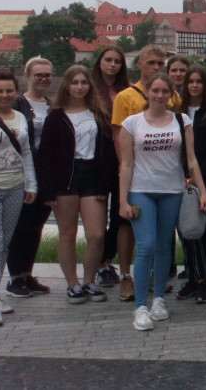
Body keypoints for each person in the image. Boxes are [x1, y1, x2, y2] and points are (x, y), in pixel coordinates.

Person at [118, 72, 206, 331]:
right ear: (147, 92)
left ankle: (158, 299)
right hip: (141, 190)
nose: (159, 95)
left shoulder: (182, 121)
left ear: (172, 94)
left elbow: (191, 160)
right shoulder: (131, 123)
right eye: (155, 91)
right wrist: (123, 200)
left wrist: (203, 192)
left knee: (163, 247)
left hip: (172, 190)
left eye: (165, 91)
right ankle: (140, 307)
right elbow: (126, 165)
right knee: (145, 246)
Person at [37, 65, 118, 305]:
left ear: (90, 86)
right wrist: (47, 189)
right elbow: (45, 156)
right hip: (65, 178)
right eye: (75, 82)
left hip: (93, 176)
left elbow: (108, 152)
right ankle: (72, 284)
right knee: (67, 234)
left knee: (96, 234)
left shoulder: (99, 114)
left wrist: (105, 183)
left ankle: (89, 280)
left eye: (84, 82)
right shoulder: (56, 117)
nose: (80, 87)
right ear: (67, 86)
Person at [111, 44, 181, 302]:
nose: (156, 67)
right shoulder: (125, 97)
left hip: (164, 177)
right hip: (133, 175)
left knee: (158, 235)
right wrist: (126, 173)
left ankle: (153, 276)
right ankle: (125, 276)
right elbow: (117, 136)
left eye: (160, 64)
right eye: (151, 63)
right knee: (128, 228)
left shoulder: (172, 96)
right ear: (139, 64)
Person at [0, 71, 37, 327]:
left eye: (9, 90)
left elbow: (25, 152)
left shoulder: (19, 117)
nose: (5, 95)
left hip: (15, 187)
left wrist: (31, 184)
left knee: (5, 243)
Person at [174, 65, 206, 305]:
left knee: (202, 230)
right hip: (178, 180)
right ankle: (191, 277)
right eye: (190, 81)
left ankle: (203, 280)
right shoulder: (176, 113)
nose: (194, 85)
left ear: (205, 85)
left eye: (199, 81)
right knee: (185, 231)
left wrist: (197, 178)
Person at [5, 58, 53, 301]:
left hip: (47, 174)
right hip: (22, 172)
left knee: (36, 225)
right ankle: (15, 278)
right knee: (20, 226)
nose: (43, 78)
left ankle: (27, 273)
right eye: (38, 74)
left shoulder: (53, 105)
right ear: (27, 76)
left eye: (47, 74)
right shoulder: (18, 104)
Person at [92, 46, 131, 288]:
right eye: (108, 60)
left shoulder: (127, 90)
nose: (112, 65)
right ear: (100, 62)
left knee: (119, 215)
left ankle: (106, 260)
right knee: (96, 221)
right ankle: (98, 265)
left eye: (117, 61)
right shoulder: (90, 89)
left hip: (121, 158)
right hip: (96, 160)